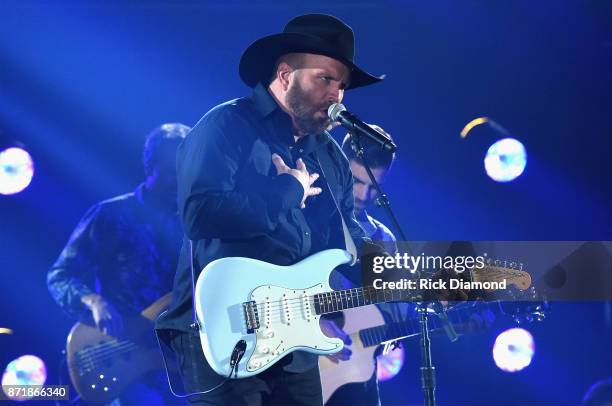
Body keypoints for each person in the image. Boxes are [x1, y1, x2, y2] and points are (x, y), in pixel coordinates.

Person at [154, 13, 385, 406]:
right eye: (325, 79)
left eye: (343, 86)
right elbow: (199, 214)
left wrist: (414, 273)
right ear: (284, 74)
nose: (337, 96)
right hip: (223, 334)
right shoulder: (226, 126)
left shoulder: (330, 157)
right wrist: (285, 191)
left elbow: (345, 238)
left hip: (294, 341)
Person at [47, 123, 190, 405]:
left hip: (184, 361)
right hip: (125, 360)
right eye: (170, 170)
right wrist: (94, 301)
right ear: (150, 166)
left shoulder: (194, 223)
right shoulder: (111, 215)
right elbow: (60, 275)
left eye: (183, 169)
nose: (178, 179)